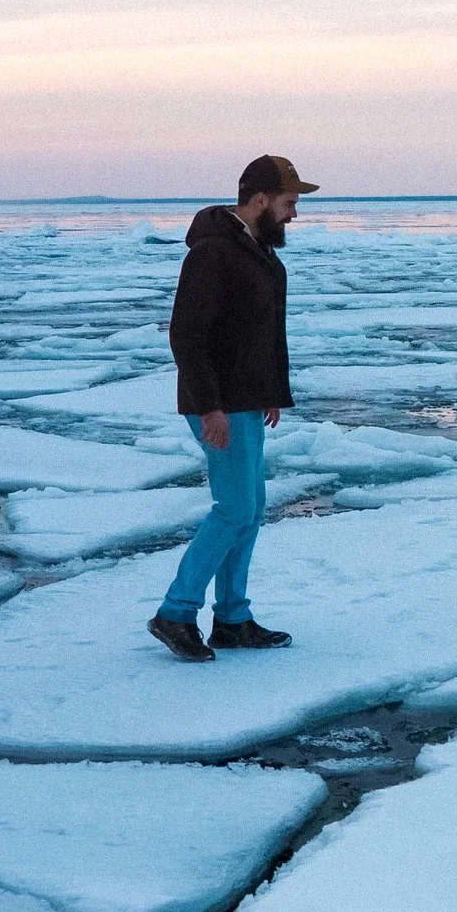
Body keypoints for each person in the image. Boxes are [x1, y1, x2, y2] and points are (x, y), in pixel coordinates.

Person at [147, 154, 315, 662]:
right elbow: (187, 336)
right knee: (234, 509)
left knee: (251, 510)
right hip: (218, 406)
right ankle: (175, 613)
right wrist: (209, 408)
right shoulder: (213, 254)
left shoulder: (254, 251)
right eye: (288, 203)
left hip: (246, 401)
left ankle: (233, 618)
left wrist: (268, 390)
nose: (293, 214)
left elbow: (253, 333)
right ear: (259, 200)